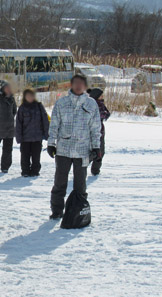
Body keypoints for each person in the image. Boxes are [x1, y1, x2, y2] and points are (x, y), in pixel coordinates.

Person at [47, 75, 101, 220]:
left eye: (81, 84)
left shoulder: (91, 104)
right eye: (76, 83)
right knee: (59, 183)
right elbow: (54, 125)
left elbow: (95, 128)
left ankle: (79, 211)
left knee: (80, 186)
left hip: (83, 151)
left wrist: (96, 147)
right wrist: (51, 143)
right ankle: (57, 211)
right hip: (63, 150)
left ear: (85, 86)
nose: (78, 86)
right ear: (71, 85)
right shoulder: (62, 103)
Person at [15, 88, 49, 177]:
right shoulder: (22, 108)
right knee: (25, 156)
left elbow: (45, 120)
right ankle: (25, 171)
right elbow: (18, 124)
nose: (30, 97)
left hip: (37, 137)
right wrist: (19, 137)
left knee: (36, 156)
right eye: (28, 96)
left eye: (31, 95)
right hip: (25, 138)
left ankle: (35, 171)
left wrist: (47, 134)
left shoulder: (39, 106)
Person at [0, 80, 17, 173]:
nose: (8, 89)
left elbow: (14, 111)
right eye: (6, 87)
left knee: (8, 149)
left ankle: (5, 167)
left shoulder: (12, 98)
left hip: (9, 129)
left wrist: (9, 119)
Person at [87, 88, 110, 176]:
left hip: (100, 131)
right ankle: (84, 167)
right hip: (93, 132)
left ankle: (95, 170)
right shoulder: (92, 104)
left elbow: (107, 114)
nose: (102, 97)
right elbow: (102, 114)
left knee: (100, 151)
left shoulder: (100, 103)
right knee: (96, 152)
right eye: (101, 95)